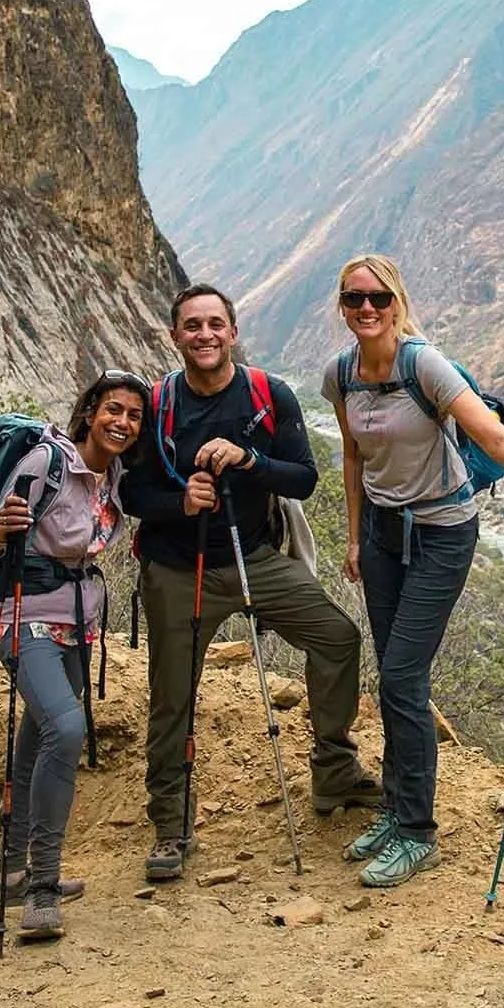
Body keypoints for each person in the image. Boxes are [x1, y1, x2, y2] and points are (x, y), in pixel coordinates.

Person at [322, 253, 504, 888]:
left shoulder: (425, 365)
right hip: (384, 534)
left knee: (401, 676)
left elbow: (493, 437)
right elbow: (354, 458)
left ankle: (419, 832)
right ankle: (396, 812)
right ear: (341, 306)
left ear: (397, 302)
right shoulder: (341, 376)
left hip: (443, 532)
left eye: (379, 298)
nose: (367, 309)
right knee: (394, 678)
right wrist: (357, 537)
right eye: (354, 298)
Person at [121, 284, 381, 882]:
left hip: (256, 558)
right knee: (172, 696)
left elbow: (302, 479)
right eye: (192, 326)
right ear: (175, 336)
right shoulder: (157, 404)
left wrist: (248, 460)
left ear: (233, 332)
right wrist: (181, 502)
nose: (205, 335)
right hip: (178, 570)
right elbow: (131, 492)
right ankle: (170, 824)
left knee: (337, 637)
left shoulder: (268, 395)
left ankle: (334, 771)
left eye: (216, 324)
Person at [0, 370, 148, 941]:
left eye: (133, 415)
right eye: (112, 410)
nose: (121, 422)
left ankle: (11, 869)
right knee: (67, 728)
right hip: (25, 616)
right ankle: (43, 889)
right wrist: (2, 529)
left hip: (80, 622)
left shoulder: (115, 475)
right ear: (90, 412)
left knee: (40, 733)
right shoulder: (47, 462)